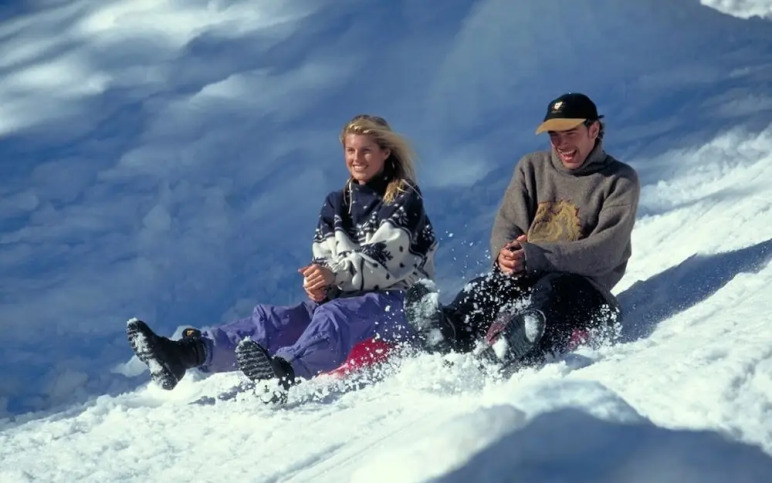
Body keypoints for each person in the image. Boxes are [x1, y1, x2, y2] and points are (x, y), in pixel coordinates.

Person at [127, 114, 437, 400]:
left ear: (386, 152)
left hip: (399, 306)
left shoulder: (403, 197)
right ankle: (186, 354)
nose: (357, 159)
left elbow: (387, 260)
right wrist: (320, 283)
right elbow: (325, 257)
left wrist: (335, 275)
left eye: (366, 151)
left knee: (336, 315)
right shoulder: (337, 203)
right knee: (276, 322)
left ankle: (284, 372)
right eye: (350, 151)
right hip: (346, 301)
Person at [404, 92, 640, 367]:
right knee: (488, 286)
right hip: (528, 279)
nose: (561, 144)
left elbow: (604, 251)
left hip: (587, 294)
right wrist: (506, 253)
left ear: (594, 130)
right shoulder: (532, 167)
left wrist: (535, 255)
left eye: (570, 133)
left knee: (555, 289)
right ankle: (450, 332)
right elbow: (508, 222)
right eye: (554, 135)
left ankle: (522, 344)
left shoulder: (619, 180)